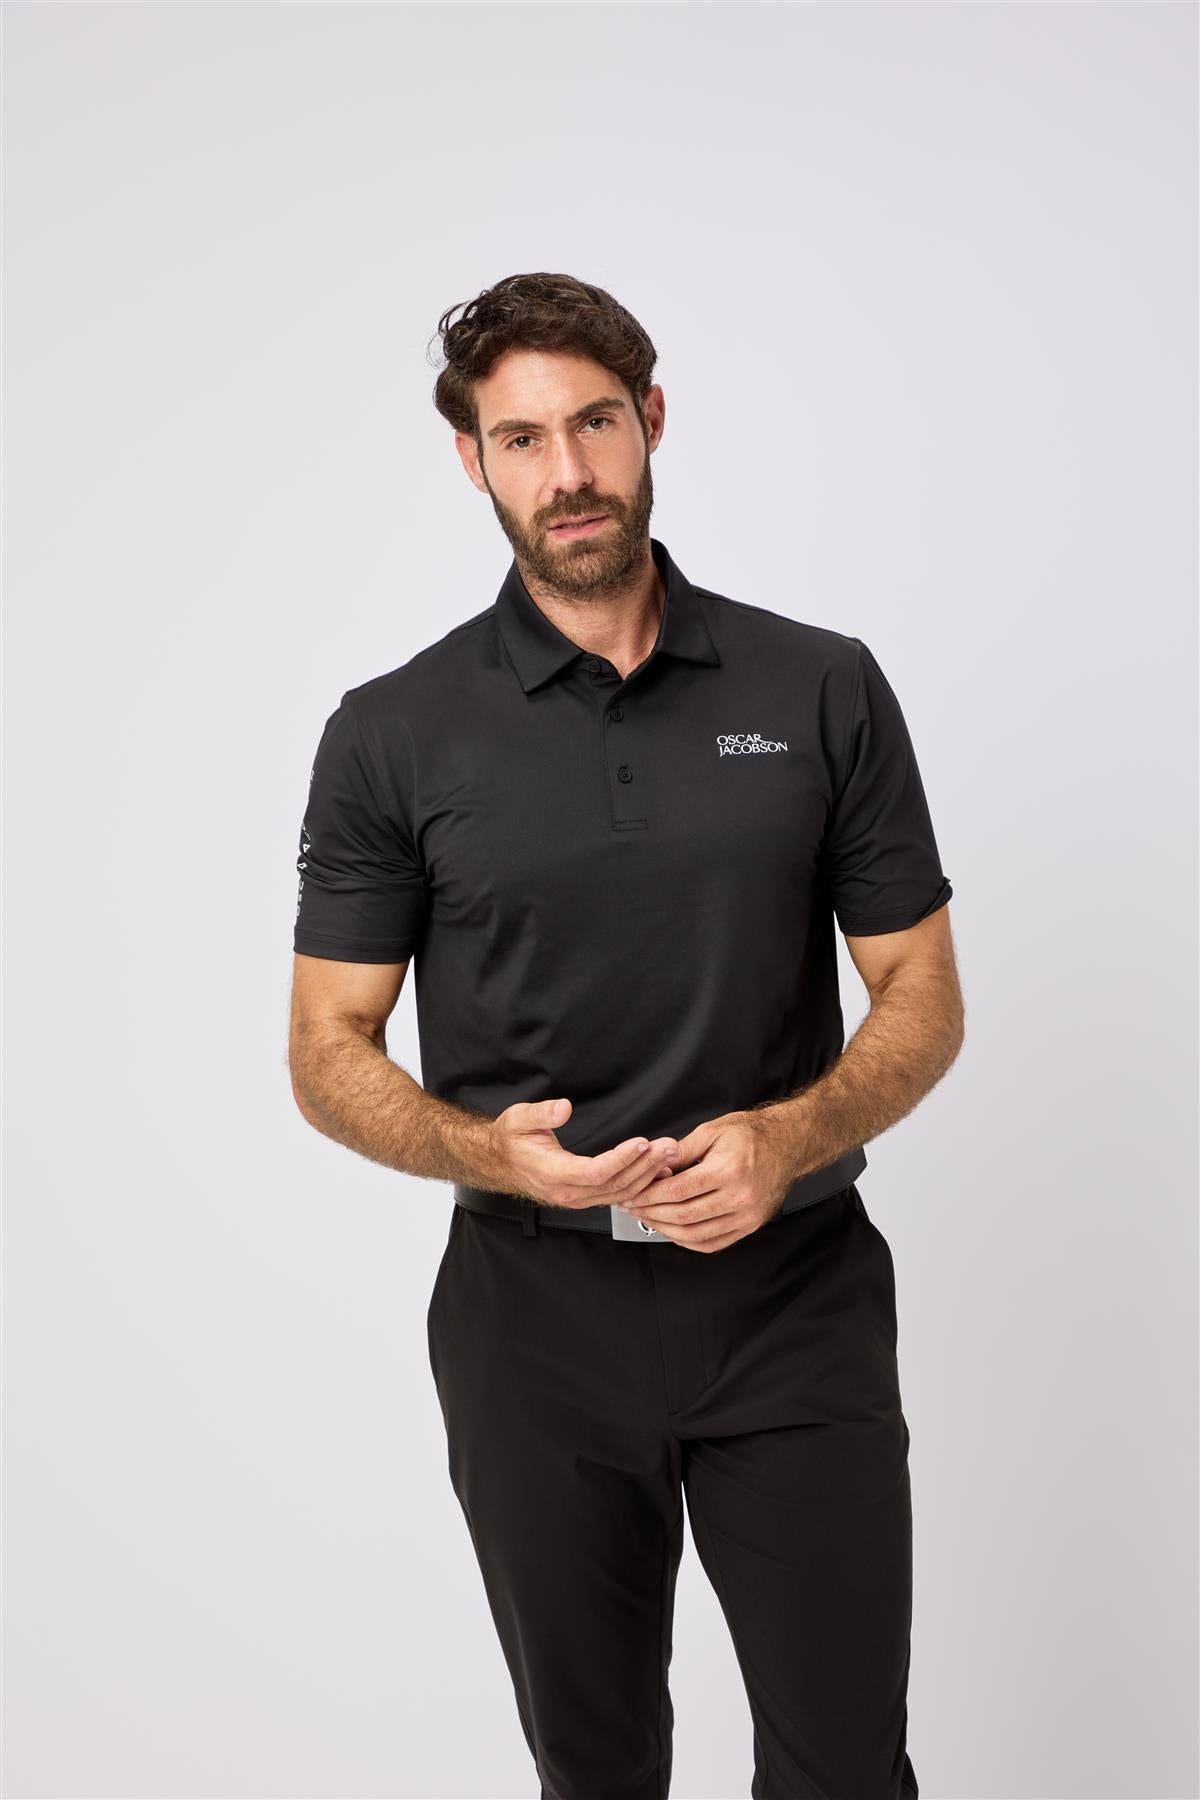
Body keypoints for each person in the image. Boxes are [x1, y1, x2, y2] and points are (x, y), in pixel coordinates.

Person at [288, 270, 964, 1800]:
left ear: (651, 419)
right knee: (594, 1773)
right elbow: (329, 1044)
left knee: (847, 1770)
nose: (568, 472)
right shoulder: (392, 732)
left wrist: (793, 1132)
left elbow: (921, 992)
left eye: (594, 423)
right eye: (522, 439)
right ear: (472, 460)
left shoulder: (820, 685)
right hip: (532, 1317)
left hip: (793, 1293)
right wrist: (491, 1155)